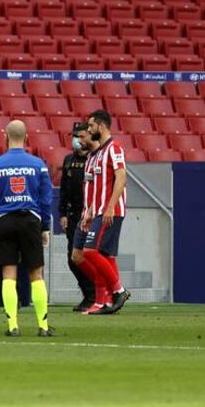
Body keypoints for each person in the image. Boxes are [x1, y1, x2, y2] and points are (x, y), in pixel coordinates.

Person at [0, 120, 54, 337]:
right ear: (27, 137)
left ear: (5, 137)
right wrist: (45, 227)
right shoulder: (38, 164)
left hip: (5, 221)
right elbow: (46, 199)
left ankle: (13, 326)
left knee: (8, 274)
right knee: (36, 274)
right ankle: (43, 326)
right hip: (30, 221)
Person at [81, 110, 131, 315]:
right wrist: (91, 210)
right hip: (100, 210)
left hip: (111, 211)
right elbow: (98, 188)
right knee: (106, 255)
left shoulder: (114, 148)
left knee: (90, 251)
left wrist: (110, 207)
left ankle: (118, 291)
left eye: (91, 126)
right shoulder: (100, 152)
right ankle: (108, 301)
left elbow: (121, 177)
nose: (89, 129)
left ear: (101, 126)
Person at [72, 125, 111, 314]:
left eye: (81, 137)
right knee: (77, 257)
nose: (79, 141)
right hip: (86, 213)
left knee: (94, 254)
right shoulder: (90, 158)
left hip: (98, 213)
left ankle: (106, 295)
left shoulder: (104, 156)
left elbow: (107, 186)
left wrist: (99, 210)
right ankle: (105, 290)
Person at [58, 122, 97, 311]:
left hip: (90, 214)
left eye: (80, 136)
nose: (77, 140)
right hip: (73, 215)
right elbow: (63, 189)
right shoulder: (67, 160)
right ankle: (89, 294)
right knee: (72, 258)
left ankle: (97, 295)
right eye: (75, 136)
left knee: (89, 256)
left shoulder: (94, 159)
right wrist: (62, 213)